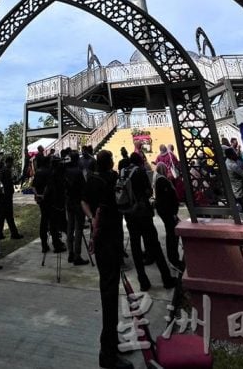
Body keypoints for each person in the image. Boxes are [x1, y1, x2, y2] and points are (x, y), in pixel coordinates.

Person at [82, 150, 133, 369]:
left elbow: (83, 200)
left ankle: (111, 342)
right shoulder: (112, 178)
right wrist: (97, 226)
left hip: (102, 237)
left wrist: (92, 219)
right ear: (111, 163)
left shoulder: (91, 180)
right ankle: (108, 353)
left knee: (108, 288)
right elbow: (116, 205)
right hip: (110, 238)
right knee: (110, 294)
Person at [123, 153, 177, 292]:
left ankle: (143, 281)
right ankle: (166, 278)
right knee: (155, 245)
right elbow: (148, 191)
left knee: (135, 248)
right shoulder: (140, 172)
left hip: (129, 214)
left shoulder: (123, 171)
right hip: (143, 213)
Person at [32, 156, 66, 253]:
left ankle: (44, 245)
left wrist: (37, 195)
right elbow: (49, 186)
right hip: (50, 201)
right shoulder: (50, 172)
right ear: (48, 163)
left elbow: (33, 186)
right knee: (53, 223)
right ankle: (56, 244)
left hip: (41, 201)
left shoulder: (38, 171)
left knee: (43, 222)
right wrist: (44, 195)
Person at [153, 163, 183, 271]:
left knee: (172, 234)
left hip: (167, 212)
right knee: (172, 235)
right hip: (168, 213)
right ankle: (173, 259)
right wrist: (173, 213)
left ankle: (174, 259)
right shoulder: (162, 181)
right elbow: (167, 199)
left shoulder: (160, 180)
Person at [64, 151, 88, 265]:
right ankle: (77, 255)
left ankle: (70, 253)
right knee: (78, 229)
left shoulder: (64, 171)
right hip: (78, 202)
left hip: (69, 202)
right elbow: (84, 187)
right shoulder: (78, 172)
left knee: (70, 227)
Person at [0, 156, 23, 239]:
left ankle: (0, 233)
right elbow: (8, 183)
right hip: (7, 195)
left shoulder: (3, 170)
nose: (12, 164)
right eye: (12, 162)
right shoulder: (6, 170)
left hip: (5, 195)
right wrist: (15, 180)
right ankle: (14, 233)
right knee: (9, 215)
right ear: (9, 162)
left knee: (3, 215)